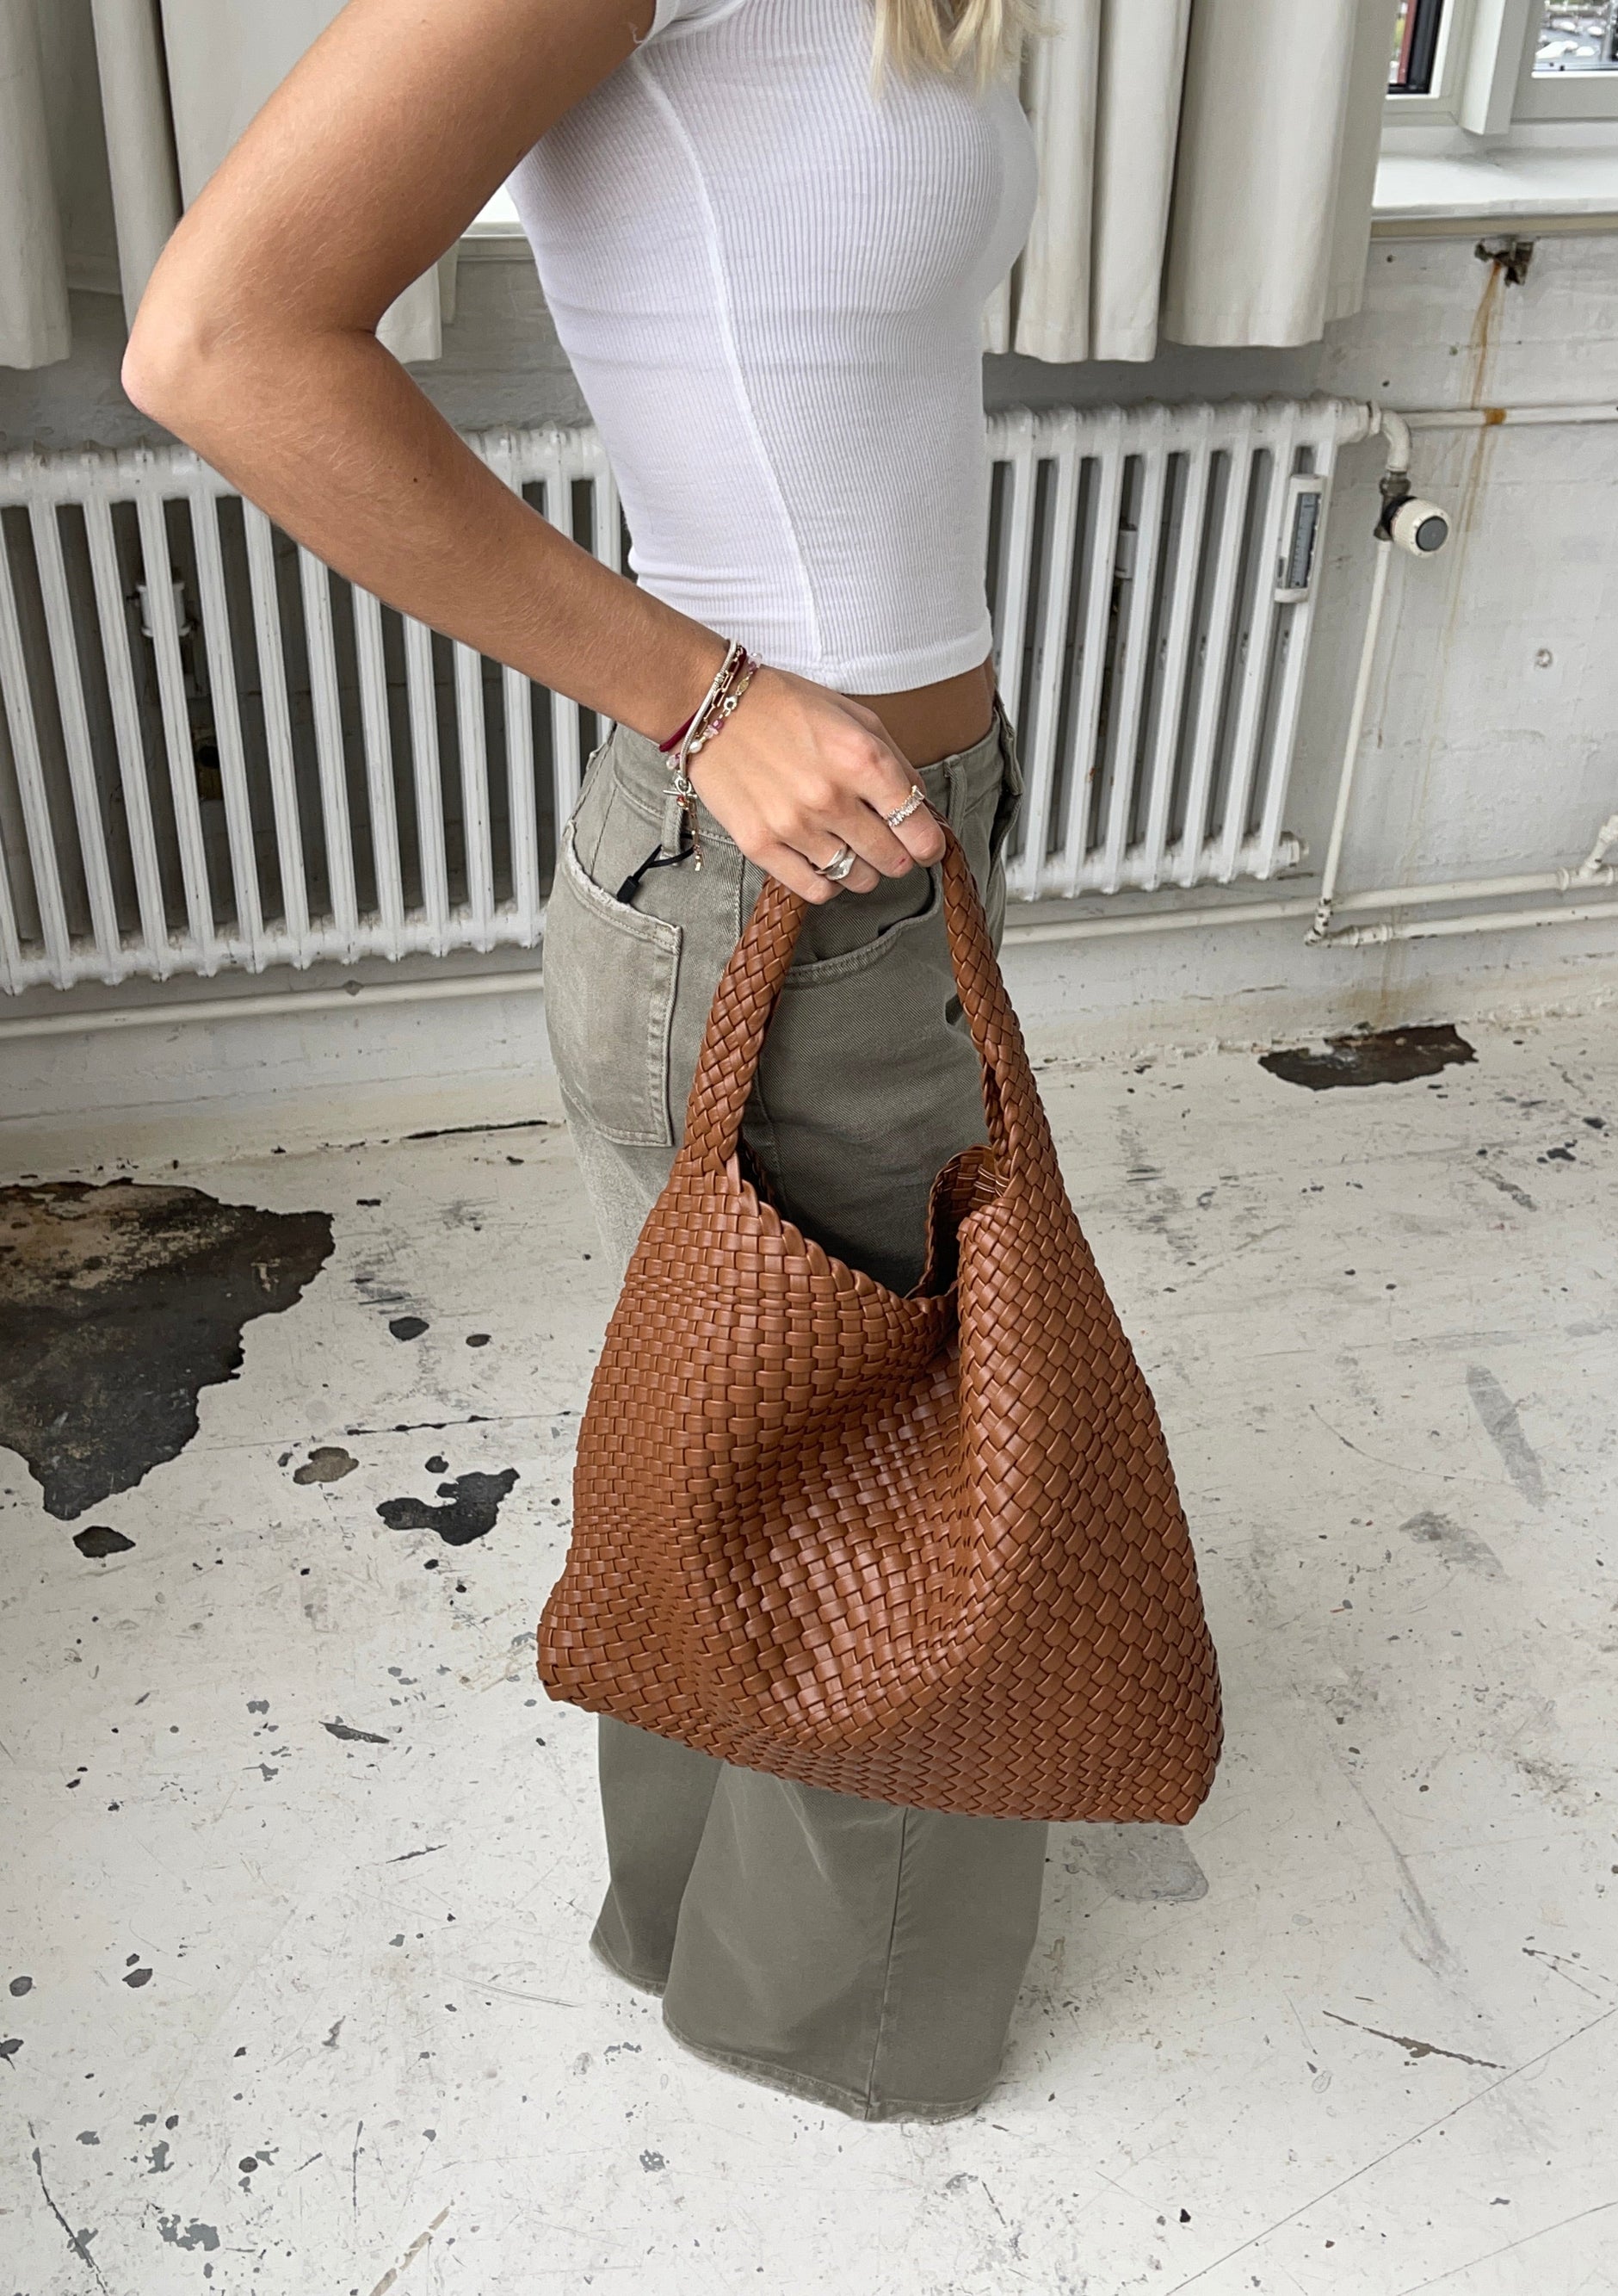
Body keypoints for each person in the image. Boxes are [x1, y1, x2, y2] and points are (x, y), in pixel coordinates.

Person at [124, 0, 1045, 2121]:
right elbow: (222, 343)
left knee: (761, 1430)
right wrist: (702, 696)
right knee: (880, 1472)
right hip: (791, 877)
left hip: (901, 829)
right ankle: (833, 2017)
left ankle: (707, 1928)